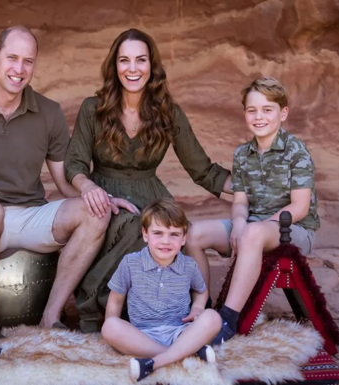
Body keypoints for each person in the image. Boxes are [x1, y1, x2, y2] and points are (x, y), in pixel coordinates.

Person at [0, 26, 116, 339]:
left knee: (95, 213)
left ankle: (51, 316)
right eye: (12, 58)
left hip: (28, 214)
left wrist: (95, 196)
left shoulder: (49, 112)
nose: (19, 69)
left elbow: (63, 179)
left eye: (28, 61)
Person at [64, 28, 232, 332]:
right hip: (106, 196)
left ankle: (181, 314)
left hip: (152, 194)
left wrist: (251, 189)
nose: (132, 68)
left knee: (172, 232)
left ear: (151, 66)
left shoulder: (168, 113)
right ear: (114, 66)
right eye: (124, 60)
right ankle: (92, 305)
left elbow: (202, 169)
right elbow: (74, 163)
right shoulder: (93, 108)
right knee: (136, 226)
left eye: (140, 60)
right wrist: (88, 187)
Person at [184, 77, 320, 345]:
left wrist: (253, 230)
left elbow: (300, 207)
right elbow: (240, 201)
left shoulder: (296, 152)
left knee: (253, 233)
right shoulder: (242, 154)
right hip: (253, 226)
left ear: (283, 113)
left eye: (267, 110)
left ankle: (228, 319)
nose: (259, 117)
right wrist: (238, 223)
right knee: (193, 234)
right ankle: (202, 306)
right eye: (252, 110)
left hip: (292, 230)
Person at [101, 198, 221, 382]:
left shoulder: (188, 266)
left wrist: (197, 309)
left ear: (184, 239)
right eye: (158, 233)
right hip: (142, 335)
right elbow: (116, 299)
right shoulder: (131, 263)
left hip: (180, 333)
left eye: (174, 234)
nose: (166, 241)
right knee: (109, 326)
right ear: (145, 234)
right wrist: (114, 332)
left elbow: (201, 291)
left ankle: (154, 363)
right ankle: (186, 356)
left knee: (212, 317)